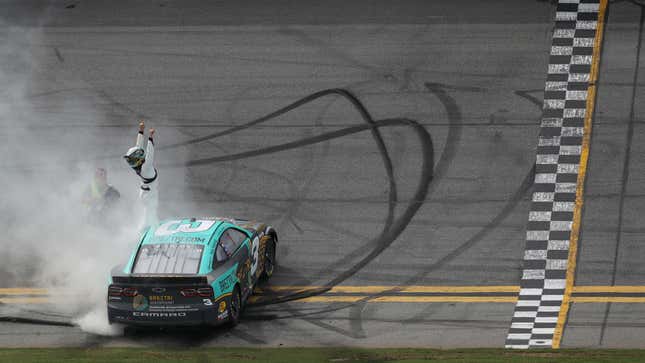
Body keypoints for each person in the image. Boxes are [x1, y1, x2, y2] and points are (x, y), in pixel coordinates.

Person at [124, 121, 158, 229]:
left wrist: (141, 131)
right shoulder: (146, 167)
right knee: (148, 216)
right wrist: (151, 137)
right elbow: (149, 153)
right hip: (150, 194)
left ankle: (143, 228)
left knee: (146, 213)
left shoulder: (139, 166)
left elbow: (138, 147)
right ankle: (142, 233)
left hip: (144, 191)